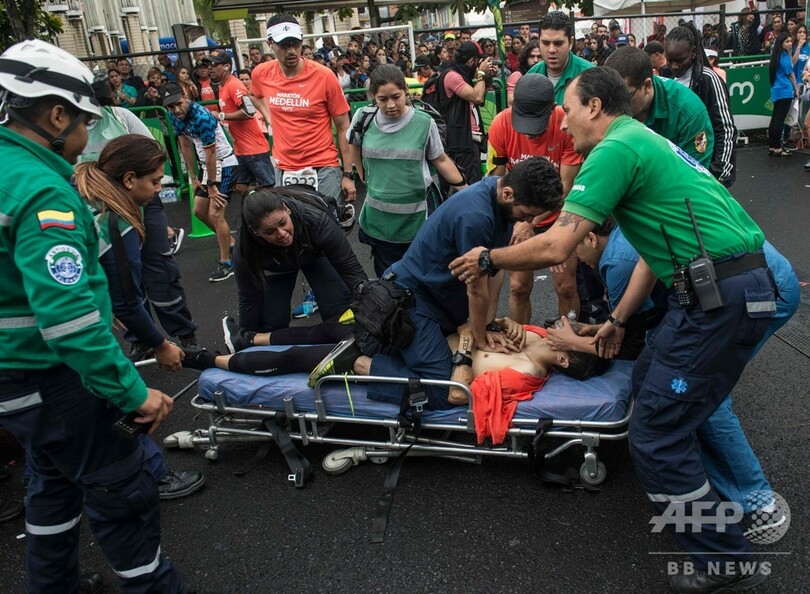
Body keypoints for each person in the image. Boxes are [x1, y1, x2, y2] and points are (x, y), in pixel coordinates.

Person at [449, 67, 788, 592]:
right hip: (718, 288)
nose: (562, 120)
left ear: (596, 107)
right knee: (652, 379)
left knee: (655, 433)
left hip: (721, 297)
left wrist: (489, 257)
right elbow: (656, 254)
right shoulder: (641, 139)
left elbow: (558, 245)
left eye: (568, 107)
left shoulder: (612, 150)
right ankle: (724, 507)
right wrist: (614, 320)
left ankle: (724, 554)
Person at [0, 39, 185, 592]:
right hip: (53, 377)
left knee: (52, 485)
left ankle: (53, 586)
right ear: (56, 115)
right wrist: (131, 391)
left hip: (15, 382)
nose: (88, 131)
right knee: (121, 490)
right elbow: (69, 317)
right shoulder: (42, 190)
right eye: (84, 118)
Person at [310, 157, 564, 411]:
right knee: (444, 391)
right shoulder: (476, 216)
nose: (527, 222)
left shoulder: (498, 196)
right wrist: (479, 337)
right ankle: (358, 362)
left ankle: (389, 350)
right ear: (508, 194)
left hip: (441, 300)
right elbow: (476, 290)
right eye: (527, 214)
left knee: (442, 358)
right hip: (413, 302)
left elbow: (492, 271)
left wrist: (487, 324)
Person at [347, 65, 466, 276]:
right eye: (383, 99)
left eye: (396, 96)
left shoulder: (423, 122)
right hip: (379, 222)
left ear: (406, 92)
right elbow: (353, 145)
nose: (391, 105)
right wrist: (360, 175)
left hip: (418, 220)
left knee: (422, 276)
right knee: (388, 282)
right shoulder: (362, 118)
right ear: (373, 97)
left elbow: (440, 159)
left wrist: (465, 190)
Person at [487, 74, 583, 323]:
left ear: (552, 109)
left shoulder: (567, 123)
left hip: (557, 213)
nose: (530, 134)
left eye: (537, 123)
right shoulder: (500, 124)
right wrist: (515, 222)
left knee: (565, 286)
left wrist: (532, 223)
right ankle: (523, 346)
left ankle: (569, 341)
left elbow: (565, 185)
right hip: (518, 215)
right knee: (518, 287)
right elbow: (494, 180)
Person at [250, 13, 357, 208]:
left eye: (295, 43)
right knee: (292, 229)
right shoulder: (261, 73)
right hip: (285, 168)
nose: (291, 51)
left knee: (328, 226)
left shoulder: (324, 76)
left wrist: (348, 175)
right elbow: (255, 95)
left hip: (322, 165)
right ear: (270, 44)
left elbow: (343, 127)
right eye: (284, 45)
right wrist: (269, 118)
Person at [234, 187, 367, 332]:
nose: (282, 234)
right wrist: (245, 337)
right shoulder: (245, 247)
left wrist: (373, 306)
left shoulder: (316, 219)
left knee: (338, 307)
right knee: (272, 322)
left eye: (282, 223)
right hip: (276, 262)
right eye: (270, 231)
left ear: (286, 209)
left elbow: (350, 270)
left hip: (315, 251)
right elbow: (249, 297)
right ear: (256, 232)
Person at [163, 82, 239, 282]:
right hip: (208, 167)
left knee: (216, 213)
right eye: (171, 107)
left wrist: (212, 184)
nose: (176, 110)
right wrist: (194, 177)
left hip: (225, 163)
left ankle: (227, 262)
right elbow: (185, 145)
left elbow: (211, 152)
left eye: (179, 104)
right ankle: (231, 243)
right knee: (199, 211)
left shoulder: (202, 116)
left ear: (186, 96)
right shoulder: (174, 116)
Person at [605, 46, 715, 169]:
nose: (615, 107)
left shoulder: (688, 111)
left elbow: (693, 176)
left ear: (647, 86)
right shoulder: (606, 103)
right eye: (610, 98)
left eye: (625, 96)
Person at [665, 24, 738, 187]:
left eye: (680, 60)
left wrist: (719, 173)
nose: (674, 66)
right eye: (669, 60)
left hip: (707, 171)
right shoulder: (667, 80)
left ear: (694, 52)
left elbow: (725, 129)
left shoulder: (709, 79)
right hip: (679, 171)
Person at [208, 49, 275, 198]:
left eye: (214, 65)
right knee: (240, 186)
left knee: (270, 186)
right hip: (241, 148)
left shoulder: (234, 85)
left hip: (254, 148)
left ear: (226, 66)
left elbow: (249, 112)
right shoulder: (222, 86)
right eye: (209, 65)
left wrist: (220, 115)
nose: (210, 68)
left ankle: (273, 213)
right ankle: (257, 204)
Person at [433, 40, 493, 188]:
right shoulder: (452, 76)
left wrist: (487, 77)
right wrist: (480, 73)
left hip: (468, 141)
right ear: (472, 61)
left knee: (473, 182)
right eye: (479, 62)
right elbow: (476, 97)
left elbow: (480, 100)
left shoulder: (462, 73)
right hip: (459, 143)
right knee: (468, 187)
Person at [527, 11, 594, 105]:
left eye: (558, 43)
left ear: (570, 43)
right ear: (539, 42)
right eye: (545, 43)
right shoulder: (531, 76)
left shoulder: (590, 76)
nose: (551, 50)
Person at [767, 32, 799, 157]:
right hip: (785, 90)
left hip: (776, 89)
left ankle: (772, 146)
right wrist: (796, 89)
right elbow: (790, 73)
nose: (790, 44)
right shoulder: (783, 56)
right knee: (779, 120)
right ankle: (778, 147)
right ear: (781, 43)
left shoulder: (776, 56)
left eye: (790, 41)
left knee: (775, 119)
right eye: (787, 42)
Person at [506, 40, 541, 106]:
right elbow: (511, 103)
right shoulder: (517, 75)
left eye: (539, 57)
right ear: (525, 57)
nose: (536, 60)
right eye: (532, 56)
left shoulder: (546, 72)